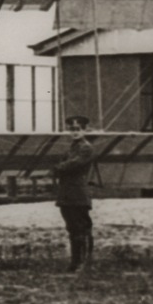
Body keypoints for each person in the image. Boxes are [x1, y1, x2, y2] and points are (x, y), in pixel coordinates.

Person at [54, 115, 95, 272]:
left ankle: (83, 263)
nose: (75, 132)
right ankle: (75, 262)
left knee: (81, 228)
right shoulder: (72, 147)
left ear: (84, 130)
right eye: (72, 129)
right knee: (72, 228)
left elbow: (74, 164)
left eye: (78, 129)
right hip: (66, 193)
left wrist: (58, 168)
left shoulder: (86, 148)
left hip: (78, 193)